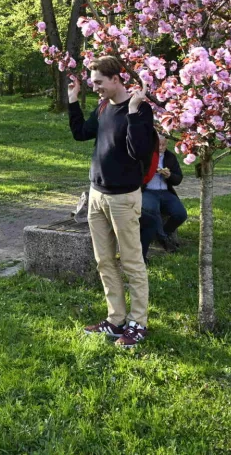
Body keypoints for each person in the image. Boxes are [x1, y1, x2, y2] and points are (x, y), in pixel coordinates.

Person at [68, 55, 155, 348]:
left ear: (116, 79)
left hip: (123, 199)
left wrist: (131, 112)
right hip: (96, 196)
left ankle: (138, 323)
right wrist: (72, 101)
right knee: (104, 261)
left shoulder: (140, 108)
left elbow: (139, 150)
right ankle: (116, 320)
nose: (96, 88)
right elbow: (81, 134)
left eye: (99, 83)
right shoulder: (103, 106)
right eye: (93, 84)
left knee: (131, 262)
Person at [140, 134, 188, 260]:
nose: (161, 147)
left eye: (164, 145)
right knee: (152, 210)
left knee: (180, 214)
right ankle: (163, 240)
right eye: (158, 144)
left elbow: (178, 179)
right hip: (148, 190)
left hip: (165, 192)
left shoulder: (170, 157)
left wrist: (169, 175)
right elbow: (137, 174)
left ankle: (162, 234)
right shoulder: (146, 155)